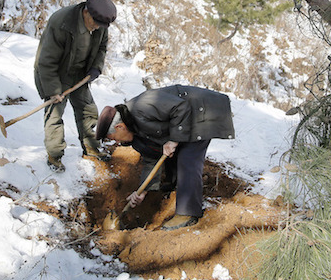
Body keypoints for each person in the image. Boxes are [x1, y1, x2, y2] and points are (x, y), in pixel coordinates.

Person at [95, 85, 235, 230]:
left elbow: (181, 107)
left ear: (119, 127)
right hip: (185, 119)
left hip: (201, 109)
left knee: (187, 158)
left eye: (114, 138)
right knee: (169, 152)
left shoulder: (143, 106)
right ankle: (175, 188)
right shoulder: (134, 136)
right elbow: (151, 157)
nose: (117, 142)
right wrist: (143, 190)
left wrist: (174, 140)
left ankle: (188, 213)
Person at [34, 0, 116, 173]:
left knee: (88, 109)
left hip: (80, 74)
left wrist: (95, 67)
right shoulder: (62, 22)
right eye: (94, 23)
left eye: (100, 26)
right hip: (55, 73)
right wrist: (53, 90)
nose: (96, 28)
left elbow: (102, 47)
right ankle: (54, 156)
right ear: (86, 12)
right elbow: (46, 61)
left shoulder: (100, 22)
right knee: (54, 114)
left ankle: (91, 147)